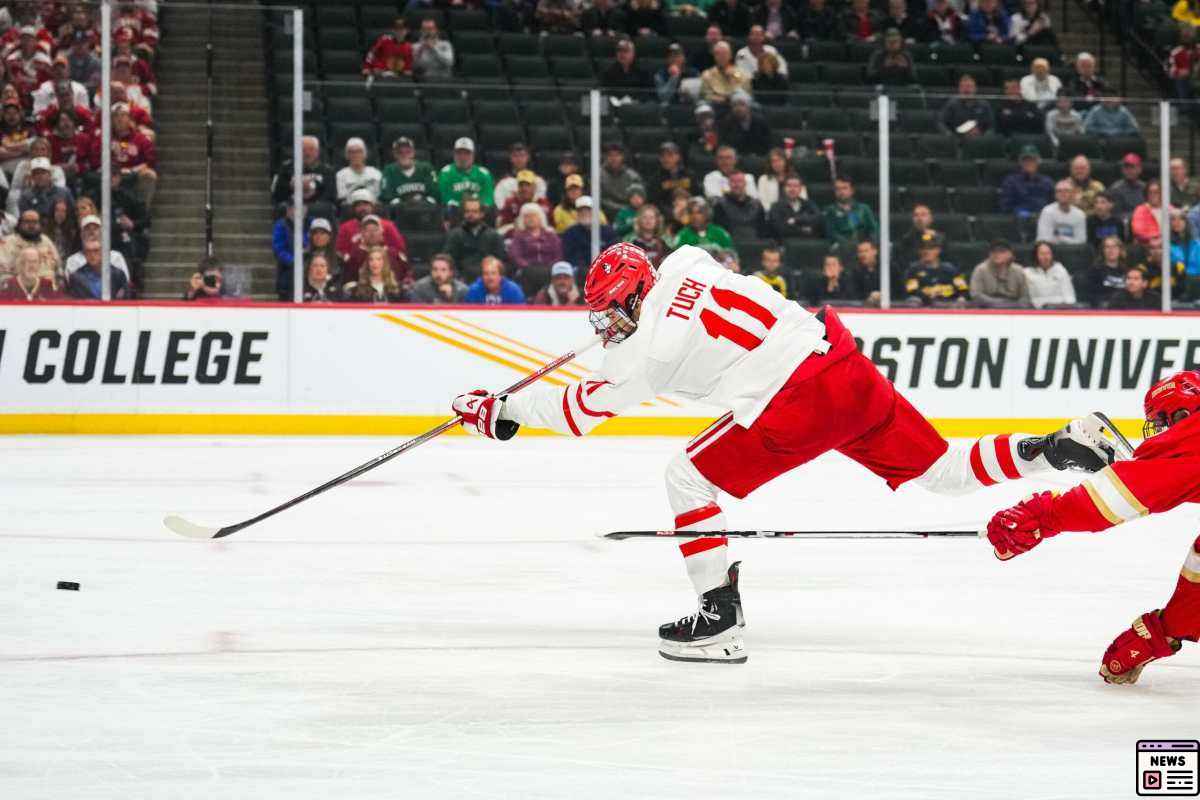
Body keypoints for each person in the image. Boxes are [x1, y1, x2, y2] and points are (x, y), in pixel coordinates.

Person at [449, 241, 1119, 663]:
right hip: (842, 362)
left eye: (609, 313)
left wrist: (500, 412)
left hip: (794, 400)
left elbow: (576, 412)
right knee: (941, 471)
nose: (604, 327)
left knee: (686, 478)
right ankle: (1054, 446)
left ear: (630, 297)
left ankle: (718, 619)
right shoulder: (686, 259)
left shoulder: (646, 356)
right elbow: (711, 265)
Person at [984, 371, 1200, 683]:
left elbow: (1106, 502)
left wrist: (1043, 515)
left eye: (1164, 422)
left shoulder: (1189, 436)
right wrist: (1168, 630)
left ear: (1182, 414)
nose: (1163, 431)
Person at [443, 195, 506, 280]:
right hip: (462, 279)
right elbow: (448, 260)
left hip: (488, 278)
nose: (471, 214)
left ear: (482, 214)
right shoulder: (455, 235)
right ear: (463, 213)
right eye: (467, 211)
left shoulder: (493, 235)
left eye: (475, 211)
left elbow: (500, 260)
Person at [271, 135, 336, 215]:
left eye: (311, 149)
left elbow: (329, 194)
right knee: (282, 208)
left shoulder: (327, 170)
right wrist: (291, 186)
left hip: (318, 207)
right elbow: (278, 194)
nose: (307, 153)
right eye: (303, 150)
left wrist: (311, 205)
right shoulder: (286, 168)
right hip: (292, 205)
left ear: (317, 152)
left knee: (327, 208)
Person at [508, 203, 563, 297]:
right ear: (522, 220)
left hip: (548, 268)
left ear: (540, 217)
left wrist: (551, 266)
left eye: (533, 216)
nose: (530, 219)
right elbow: (515, 255)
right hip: (528, 269)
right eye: (527, 216)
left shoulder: (551, 235)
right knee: (529, 274)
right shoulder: (518, 236)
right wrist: (526, 266)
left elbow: (558, 254)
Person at [905, 234, 968, 306]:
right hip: (925, 310)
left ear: (938, 250)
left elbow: (963, 290)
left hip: (950, 309)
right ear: (919, 251)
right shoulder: (913, 270)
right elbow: (912, 292)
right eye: (923, 248)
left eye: (930, 248)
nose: (926, 251)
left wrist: (961, 298)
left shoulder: (951, 270)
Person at [378, 137, 438, 208]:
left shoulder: (427, 168)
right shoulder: (389, 171)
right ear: (395, 155)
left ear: (413, 153)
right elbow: (386, 196)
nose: (404, 155)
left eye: (408, 152)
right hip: (400, 212)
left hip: (425, 211)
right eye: (400, 152)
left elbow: (435, 192)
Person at [1000, 145, 1054, 222]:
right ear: (1020, 162)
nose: (1028, 163)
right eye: (1025, 160)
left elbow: (1053, 204)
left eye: (1032, 160)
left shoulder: (1047, 181)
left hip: (1044, 220)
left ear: (1038, 161)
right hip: (1018, 222)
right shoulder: (1010, 181)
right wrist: (1018, 212)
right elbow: (1005, 205)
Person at [561, 196, 617, 270]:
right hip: (581, 273)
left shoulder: (608, 232)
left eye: (588, 210)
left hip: (604, 270)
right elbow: (571, 257)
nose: (585, 213)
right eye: (581, 211)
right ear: (577, 213)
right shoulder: (570, 233)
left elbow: (613, 255)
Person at [970, 239, 1030, 307]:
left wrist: (1016, 307)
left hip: (1014, 310)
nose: (997, 254)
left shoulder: (1019, 271)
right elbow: (976, 295)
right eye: (993, 251)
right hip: (987, 311)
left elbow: (1025, 297)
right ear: (989, 254)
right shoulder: (980, 270)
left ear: (1010, 254)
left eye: (1002, 251)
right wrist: (1000, 304)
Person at [437, 138, 494, 209]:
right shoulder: (446, 173)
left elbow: (488, 199)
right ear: (454, 154)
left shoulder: (484, 174)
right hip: (454, 213)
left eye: (467, 153)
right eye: (459, 153)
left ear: (473, 155)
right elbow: (445, 198)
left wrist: (474, 209)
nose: (462, 157)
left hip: (478, 214)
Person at [823, 177, 879, 245]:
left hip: (863, 249)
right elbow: (831, 234)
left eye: (844, 188)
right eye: (837, 189)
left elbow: (873, 230)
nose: (841, 192)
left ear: (852, 190)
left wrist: (868, 244)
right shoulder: (830, 210)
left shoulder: (864, 209)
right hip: (841, 249)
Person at [493, 142, 547, 211]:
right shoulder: (503, 183)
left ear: (528, 157)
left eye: (522, 155)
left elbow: (540, 204)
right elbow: (500, 206)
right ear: (510, 158)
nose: (519, 159)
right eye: (515, 156)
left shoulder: (538, 181)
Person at [717, 90, 771, 156]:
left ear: (748, 106)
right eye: (735, 105)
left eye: (742, 104)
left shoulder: (760, 122)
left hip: (758, 157)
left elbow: (767, 143)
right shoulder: (727, 123)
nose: (738, 108)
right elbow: (725, 144)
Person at [713, 172, 764, 240]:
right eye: (733, 181)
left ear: (745, 183)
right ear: (729, 184)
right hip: (730, 244)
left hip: (754, 243)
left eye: (739, 181)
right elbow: (719, 230)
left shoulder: (757, 205)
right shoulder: (720, 205)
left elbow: (762, 230)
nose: (736, 185)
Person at [1024, 240, 1076, 307]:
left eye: (1048, 253)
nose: (1045, 257)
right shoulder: (1027, 272)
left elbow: (1070, 298)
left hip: (1059, 310)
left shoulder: (1061, 270)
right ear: (1035, 255)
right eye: (1042, 254)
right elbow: (1024, 300)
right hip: (1036, 311)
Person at [598, 143, 643, 219]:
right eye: (610, 155)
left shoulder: (633, 176)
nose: (614, 158)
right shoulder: (598, 175)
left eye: (617, 155)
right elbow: (598, 199)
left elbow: (638, 199)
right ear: (605, 157)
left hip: (628, 214)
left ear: (623, 157)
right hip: (604, 213)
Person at [700, 41, 751, 107]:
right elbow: (705, 95)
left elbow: (746, 93)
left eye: (724, 53)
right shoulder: (707, 75)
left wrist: (732, 79)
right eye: (718, 54)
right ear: (714, 56)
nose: (722, 56)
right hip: (715, 106)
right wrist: (720, 99)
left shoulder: (741, 74)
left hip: (736, 105)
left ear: (730, 55)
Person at [1036, 180, 1087, 244]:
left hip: (1073, 251)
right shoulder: (1047, 212)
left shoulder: (1080, 214)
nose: (1062, 194)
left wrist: (1060, 239)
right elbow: (1043, 239)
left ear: (1073, 194)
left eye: (1066, 191)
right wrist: (1067, 240)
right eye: (1059, 191)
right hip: (1051, 251)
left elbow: (1081, 241)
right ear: (1055, 195)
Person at [336, 137, 382, 206]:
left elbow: (379, 196)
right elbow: (342, 198)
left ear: (364, 154)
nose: (355, 155)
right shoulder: (341, 175)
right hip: (352, 207)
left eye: (359, 151)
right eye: (352, 152)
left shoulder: (376, 173)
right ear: (347, 155)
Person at [649, 142, 694, 211]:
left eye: (670, 155)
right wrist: (671, 212)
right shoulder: (656, 178)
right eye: (662, 156)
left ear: (678, 156)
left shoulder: (689, 175)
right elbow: (654, 203)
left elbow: (697, 196)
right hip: (666, 215)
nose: (666, 159)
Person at [1087, 235, 1130, 306]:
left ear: (1120, 250)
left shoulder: (1127, 271)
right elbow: (1093, 296)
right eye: (1107, 247)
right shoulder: (1095, 271)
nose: (1111, 250)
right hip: (1105, 309)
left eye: (1114, 247)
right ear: (1103, 250)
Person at [1131, 181, 1172, 247]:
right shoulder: (1140, 210)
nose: (1153, 195)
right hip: (1147, 246)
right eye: (1150, 192)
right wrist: (1157, 238)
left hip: (1169, 245)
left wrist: (1163, 240)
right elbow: (1138, 231)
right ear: (1146, 194)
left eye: (1156, 192)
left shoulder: (1170, 209)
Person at [1109, 153, 1147, 220]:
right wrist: (1138, 215)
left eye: (1132, 167)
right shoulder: (1115, 189)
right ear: (1123, 170)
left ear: (1139, 169)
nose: (1129, 170)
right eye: (1126, 167)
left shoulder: (1146, 188)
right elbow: (1116, 215)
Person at [756, 148, 794, 212]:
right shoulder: (763, 179)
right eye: (773, 161)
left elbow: (803, 199)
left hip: (792, 215)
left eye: (779, 160)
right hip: (771, 214)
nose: (777, 164)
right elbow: (762, 202)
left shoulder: (794, 178)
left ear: (785, 161)